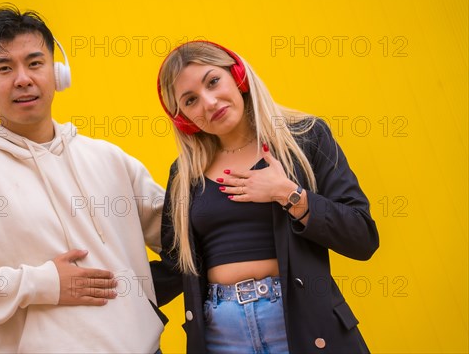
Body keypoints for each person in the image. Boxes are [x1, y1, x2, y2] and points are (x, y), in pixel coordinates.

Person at [0, 5, 167, 353]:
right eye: (4, 68)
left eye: (34, 62)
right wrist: (40, 283)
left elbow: (186, 235)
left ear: (57, 73)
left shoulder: (108, 158)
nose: (23, 78)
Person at [151, 41, 380, 353]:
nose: (208, 102)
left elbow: (362, 236)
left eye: (213, 81)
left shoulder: (306, 138)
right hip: (222, 336)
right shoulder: (184, 175)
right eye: (190, 100)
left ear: (239, 76)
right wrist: (104, 286)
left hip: (301, 326)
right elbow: (175, 268)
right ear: (183, 118)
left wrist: (288, 194)